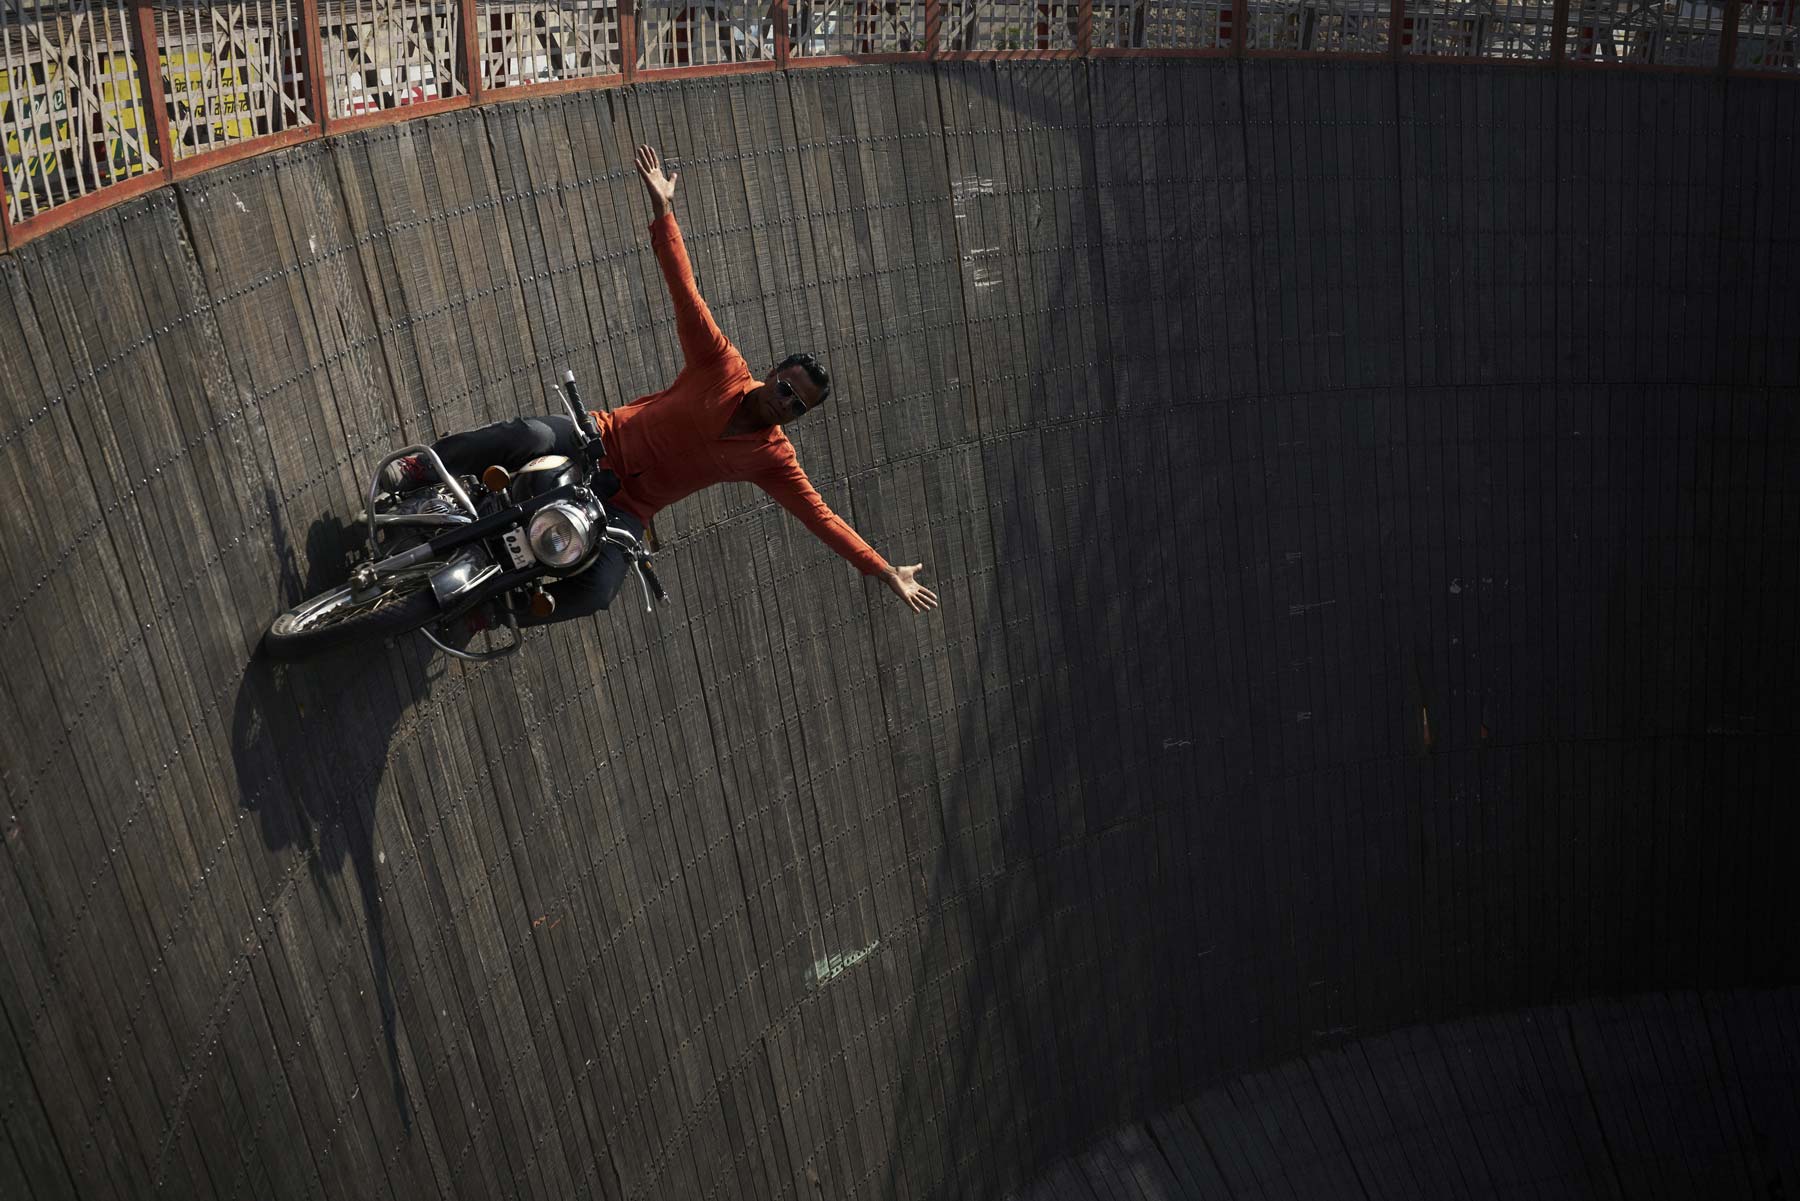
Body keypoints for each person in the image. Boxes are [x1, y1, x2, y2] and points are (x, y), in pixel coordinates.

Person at [383, 145, 939, 625]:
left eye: (798, 405)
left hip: (629, 506)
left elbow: (822, 517)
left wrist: (884, 570)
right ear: (772, 373)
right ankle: (421, 468)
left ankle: (487, 611)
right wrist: (663, 209)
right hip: (596, 439)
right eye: (787, 387)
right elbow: (685, 290)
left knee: (598, 592)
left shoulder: (773, 459)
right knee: (523, 433)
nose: (787, 402)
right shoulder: (720, 363)